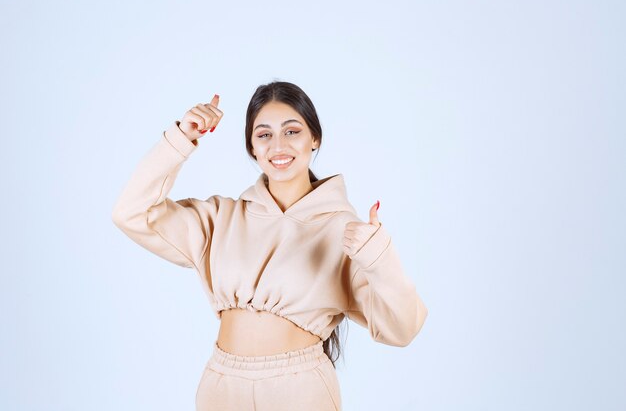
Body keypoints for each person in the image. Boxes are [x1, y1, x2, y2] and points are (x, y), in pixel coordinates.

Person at [111, 80, 428, 411]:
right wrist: (180, 139)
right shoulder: (221, 218)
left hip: (299, 391)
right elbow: (131, 213)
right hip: (221, 386)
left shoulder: (343, 230)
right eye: (264, 135)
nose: (278, 145)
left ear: (314, 138)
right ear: (251, 147)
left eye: (292, 131)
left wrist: (380, 259)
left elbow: (403, 329)